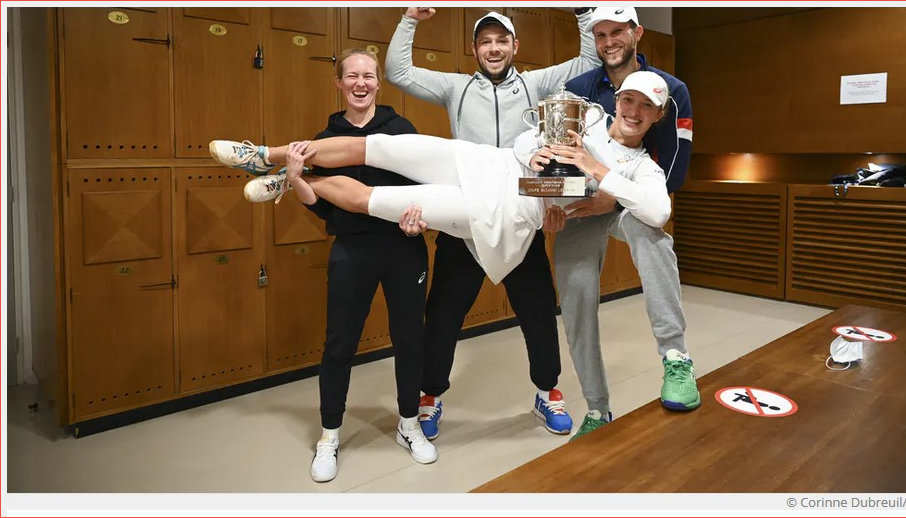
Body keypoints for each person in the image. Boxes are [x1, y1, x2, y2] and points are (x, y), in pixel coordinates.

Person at [212, 71, 672, 320]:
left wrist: (599, 175)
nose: (633, 111)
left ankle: (295, 181)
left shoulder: (643, 169)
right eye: (628, 101)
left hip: (499, 208)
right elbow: (522, 143)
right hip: (482, 162)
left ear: (657, 116)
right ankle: (263, 154)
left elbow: (656, 212)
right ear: (618, 102)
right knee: (382, 146)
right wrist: (533, 150)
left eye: (645, 107)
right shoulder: (585, 120)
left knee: (379, 199)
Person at [213, 48, 437, 483]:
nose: (360, 83)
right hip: (352, 248)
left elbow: (421, 190)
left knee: (410, 339)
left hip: (402, 247)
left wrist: (416, 224)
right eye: (351, 76)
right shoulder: (324, 137)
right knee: (339, 345)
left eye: (368, 76)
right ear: (338, 83)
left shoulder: (400, 130)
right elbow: (319, 209)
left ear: (378, 82)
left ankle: (409, 425)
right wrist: (299, 180)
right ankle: (329, 435)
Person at [384, 7, 602, 438]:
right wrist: (410, 17)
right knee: (444, 314)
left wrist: (583, 13)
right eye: (486, 42)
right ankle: (430, 396)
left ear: (515, 46)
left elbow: (590, 62)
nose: (494, 48)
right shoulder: (457, 87)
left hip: (521, 218)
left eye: (502, 40)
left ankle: (548, 392)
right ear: (474, 49)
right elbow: (398, 71)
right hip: (466, 220)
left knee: (538, 312)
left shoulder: (536, 83)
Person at [550, 7, 699, 441]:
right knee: (576, 304)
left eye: (618, 32)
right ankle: (597, 410)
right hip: (583, 210)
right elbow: (554, 150)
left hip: (629, 200)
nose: (609, 42)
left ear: (636, 33)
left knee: (652, 231)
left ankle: (676, 358)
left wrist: (610, 199)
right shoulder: (579, 89)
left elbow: (671, 168)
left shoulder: (671, 89)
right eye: (601, 34)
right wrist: (556, 197)